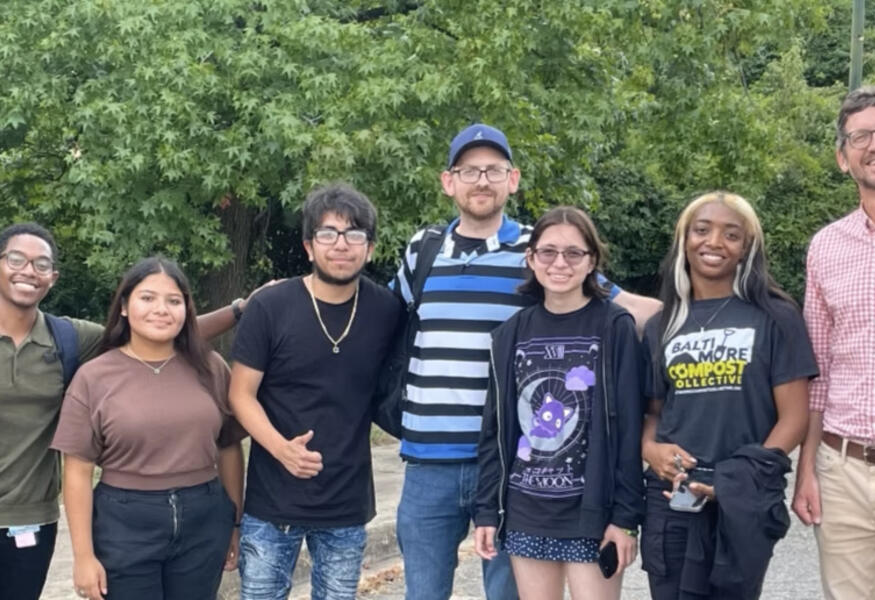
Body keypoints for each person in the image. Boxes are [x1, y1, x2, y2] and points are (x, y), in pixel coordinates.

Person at [391, 123, 661, 600]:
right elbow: (379, 321)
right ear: (448, 181)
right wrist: (287, 300)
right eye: (469, 170)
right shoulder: (423, 249)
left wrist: (719, 317)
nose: (481, 180)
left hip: (510, 463)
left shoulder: (539, 250)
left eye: (493, 170)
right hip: (428, 462)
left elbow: (624, 308)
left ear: (512, 179)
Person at [0, 222, 249, 600]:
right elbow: (79, 470)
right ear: (125, 307)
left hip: (199, 517)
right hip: (124, 521)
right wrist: (84, 556)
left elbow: (229, 445)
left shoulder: (208, 367)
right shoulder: (96, 374)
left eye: (174, 300)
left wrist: (239, 309)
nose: (160, 310)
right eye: (146, 298)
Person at [228, 183, 404, 600]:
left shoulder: (387, 310)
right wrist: (281, 448)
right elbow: (239, 394)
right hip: (272, 503)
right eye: (328, 234)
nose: (341, 245)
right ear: (309, 246)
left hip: (347, 502)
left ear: (370, 247)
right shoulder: (271, 306)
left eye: (354, 235)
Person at [641, 191, 817, 599]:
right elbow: (653, 410)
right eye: (702, 230)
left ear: (747, 248)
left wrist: (735, 483)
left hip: (741, 499)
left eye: (731, 234)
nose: (714, 242)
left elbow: (794, 418)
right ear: (684, 239)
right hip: (672, 497)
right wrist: (650, 450)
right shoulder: (661, 325)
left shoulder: (776, 316)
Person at [473, 206, 643, 600]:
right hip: (526, 510)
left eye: (573, 253)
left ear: (592, 262)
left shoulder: (614, 327)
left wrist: (625, 519)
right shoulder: (510, 334)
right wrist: (486, 510)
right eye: (548, 252)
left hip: (592, 514)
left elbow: (630, 429)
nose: (559, 263)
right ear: (531, 259)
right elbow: (494, 430)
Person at [791, 84, 875, 600]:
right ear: (842, 157)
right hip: (843, 468)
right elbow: (820, 371)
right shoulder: (826, 247)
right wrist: (807, 469)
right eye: (860, 136)